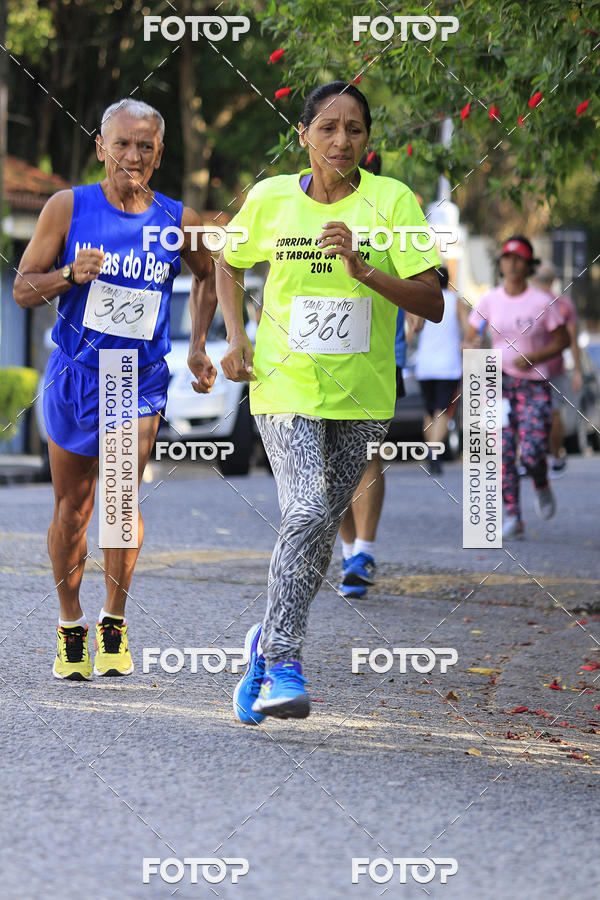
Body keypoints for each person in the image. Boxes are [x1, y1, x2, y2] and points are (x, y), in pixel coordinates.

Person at [217, 82, 443, 723]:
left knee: (317, 533)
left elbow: (432, 300)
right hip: (283, 385)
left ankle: (263, 646)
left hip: (362, 396)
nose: (342, 140)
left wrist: (363, 268)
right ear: (304, 135)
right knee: (309, 510)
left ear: (368, 139)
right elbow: (227, 262)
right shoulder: (270, 198)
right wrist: (234, 336)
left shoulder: (393, 201)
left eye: (355, 129)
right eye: (328, 127)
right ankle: (284, 664)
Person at [13, 99, 217, 680]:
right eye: (122, 143)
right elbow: (23, 289)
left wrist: (199, 345)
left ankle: (113, 622)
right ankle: (70, 624)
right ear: (101, 147)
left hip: (137, 379)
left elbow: (210, 274)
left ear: (160, 154)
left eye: (145, 146)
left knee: (122, 503)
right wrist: (69, 275)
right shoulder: (67, 206)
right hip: (76, 375)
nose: (133, 155)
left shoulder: (176, 219)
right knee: (72, 509)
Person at [337, 151, 419, 599]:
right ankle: (349, 551)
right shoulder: (309, 205)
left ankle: (364, 552)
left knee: (366, 450)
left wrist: (416, 308)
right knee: (331, 462)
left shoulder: (392, 206)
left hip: (380, 352)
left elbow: (424, 277)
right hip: (321, 355)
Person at [463, 236, 569, 540]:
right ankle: (513, 514)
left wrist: (535, 357)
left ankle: (541, 482)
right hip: (497, 384)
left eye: (517, 258)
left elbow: (563, 340)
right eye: (506, 258)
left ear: (528, 264)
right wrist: (471, 345)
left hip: (533, 385)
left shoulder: (541, 302)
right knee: (502, 450)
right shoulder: (489, 300)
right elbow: (471, 335)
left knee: (533, 451)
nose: (511, 264)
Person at [415, 265, 469, 475]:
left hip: (424, 365)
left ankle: (431, 451)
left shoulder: (421, 301)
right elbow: (468, 330)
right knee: (443, 411)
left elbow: (413, 329)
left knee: (429, 413)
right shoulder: (456, 302)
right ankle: (434, 453)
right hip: (448, 366)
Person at [532, 261, 583, 475]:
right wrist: (578, 370)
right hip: (554, 368)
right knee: (554, 413)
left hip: (528, 368)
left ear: (533, 278)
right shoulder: (564, 305)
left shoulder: (527, 301)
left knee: (525, 411)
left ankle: (528, 456)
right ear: (554, 280)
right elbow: (572, 341)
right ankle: (555, 456)